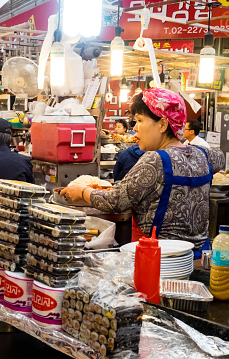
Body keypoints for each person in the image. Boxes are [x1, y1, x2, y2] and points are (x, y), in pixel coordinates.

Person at [61, 88, 225, 256]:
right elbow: (221, 158)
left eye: (139, 120)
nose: (135, 128)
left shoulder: (155, 159)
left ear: (163, 124)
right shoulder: (204, 155)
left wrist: (82, 191)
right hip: (198, 257)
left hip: (160, 259)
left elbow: (115, 201)